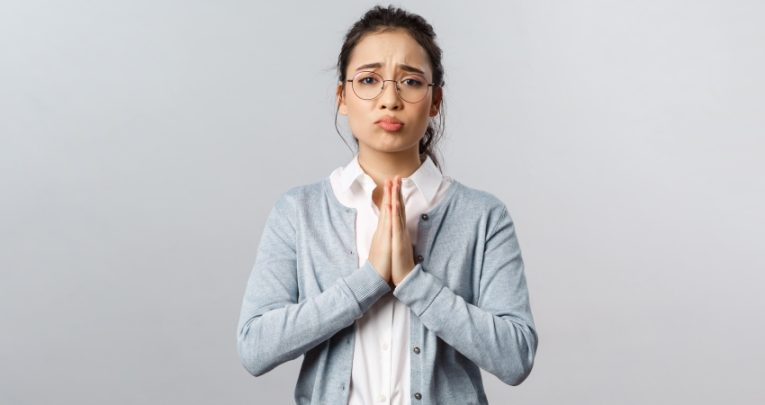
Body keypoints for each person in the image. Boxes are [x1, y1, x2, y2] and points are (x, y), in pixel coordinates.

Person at [237, 5, 538, 405]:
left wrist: (414, 282)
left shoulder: (482, 216)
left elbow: (516, 357)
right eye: (369, 80)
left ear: (435, 101)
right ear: (343, 97)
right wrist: (371, 280)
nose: (390, 99)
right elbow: (255, 348)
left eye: (411, 82)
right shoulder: (299, 211)